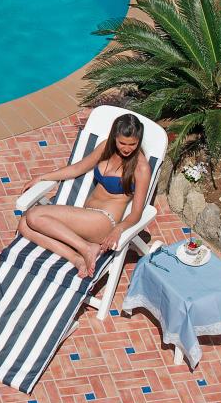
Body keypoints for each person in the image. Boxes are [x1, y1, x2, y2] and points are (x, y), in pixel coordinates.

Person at [19, 113, 151, 279]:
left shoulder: (141, 167)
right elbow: (77, 169)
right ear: (114, 137)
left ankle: (86, 248)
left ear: (139, 141)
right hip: (86, 219)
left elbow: (137, 212)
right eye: (122, 143)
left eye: (132, 144)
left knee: (34, 215)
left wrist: (118, 229)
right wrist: (42, 177)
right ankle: (77, 258)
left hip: (104, 221)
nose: (126, 148)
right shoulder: (106, 147)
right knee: (24, 224)